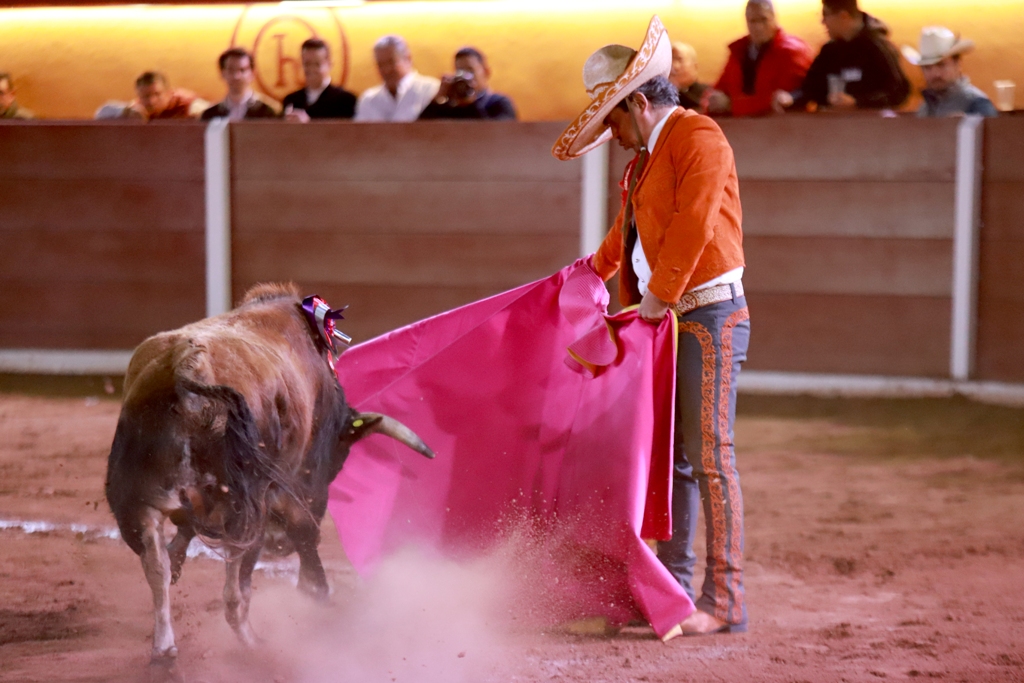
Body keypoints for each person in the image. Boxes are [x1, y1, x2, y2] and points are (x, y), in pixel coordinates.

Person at [552, 15, 750, 638]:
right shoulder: (643, 161)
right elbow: (626, 236)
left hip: (708, 314)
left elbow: (692, 225)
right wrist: (584, 272)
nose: (610, 132)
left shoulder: (699, 135)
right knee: (674, 463)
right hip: (665, 321)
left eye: (612, 117)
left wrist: (659, 298)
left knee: (710, 457)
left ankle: (727, 602)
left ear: (639, 102)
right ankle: (673, 592)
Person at [772, 0, 909, 112]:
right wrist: (791, 98)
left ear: (843, 16)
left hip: (871, 130)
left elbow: (899, 92)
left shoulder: (878, 47)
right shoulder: (829, 51)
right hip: (834, 130)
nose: (823, 22)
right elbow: (811, 88)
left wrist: (857, 102)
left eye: (826, 15)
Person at [706, 0, 813, 116]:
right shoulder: (739, 52)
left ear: (773, 18)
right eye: (753, 21)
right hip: (741, 127)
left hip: (782, 128)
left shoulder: (792, 52)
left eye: (763, 20)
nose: (758, 27)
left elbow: (780, 101)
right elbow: (716, 91)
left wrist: (732, 106)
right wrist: (712, 102)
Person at [902, 27, 997, 118]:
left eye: (941, 65)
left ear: (957, 64)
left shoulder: (977, 103)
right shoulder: (924, 108)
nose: (935, 74)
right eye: (927, 67)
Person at [354, 35, 439, 122]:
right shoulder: (368, 99)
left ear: (408, 58)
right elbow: (360, 134)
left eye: (391, 62)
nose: (386, 70)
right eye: (380, 65)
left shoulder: (431, 90)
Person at [418, 47, 517, 120]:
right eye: (459, 71)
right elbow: (419, 132)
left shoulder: (499, 103)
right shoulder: (450, 107)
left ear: (486, 72)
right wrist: (437, 99)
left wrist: (470, 105)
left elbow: (497, 136)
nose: (464, 76)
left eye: (470, 70)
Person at [282, 38, 357, 121]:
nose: (311, 69)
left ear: (329, 64)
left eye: (316, 64)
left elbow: (346, 132)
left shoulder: (346, 101)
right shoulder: (292, 100)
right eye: (307, 64)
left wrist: (308, 125)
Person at [201, 48, 280, 121]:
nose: (236, 76)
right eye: (231, 70)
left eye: (242, 70)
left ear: (252, 73)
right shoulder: (209, 115)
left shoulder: (269, 112)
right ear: (222, 73)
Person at [124, 71, 208, 120]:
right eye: (145, 96)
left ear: (169, 93)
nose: (151, 101)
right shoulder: (136, 109)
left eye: (157, 94)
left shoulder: (189, 105)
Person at [668, 42, 709, 111]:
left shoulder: (706, 93)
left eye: (679, 59)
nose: (673, 66)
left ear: (695, 67)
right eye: (669, 60)